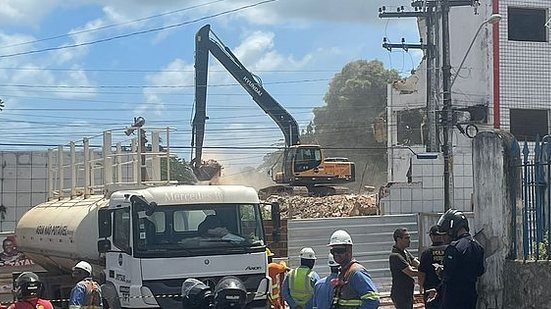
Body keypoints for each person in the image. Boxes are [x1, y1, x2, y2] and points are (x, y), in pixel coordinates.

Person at [427, 209, 485, 309]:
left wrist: (440, 273)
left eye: (444, 234)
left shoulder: (454, 248)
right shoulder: (478, 246)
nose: (443, 238)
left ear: (452, 229)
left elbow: (448, 276)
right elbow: (480, 271)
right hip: (470, 296)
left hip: (453, 299)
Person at [327, 230, 379, 309]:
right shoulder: (344, 272)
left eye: (340, 250)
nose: (336, 254)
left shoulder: (356, 273)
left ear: (349, 250)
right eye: (333, 251)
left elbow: (372, 300)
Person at [418, 225, 448, 309]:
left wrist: (421, 286)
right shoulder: (450, 249)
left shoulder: (427, 253)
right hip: (447, 290)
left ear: (431, 236)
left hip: (431, 291)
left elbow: (421, 274)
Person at [389, 227, 419, 309]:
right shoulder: (395, 256)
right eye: (406, 238)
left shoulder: (405, 252)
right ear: (398, 239)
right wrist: (425, 271)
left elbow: (416, 263)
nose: (409, 240)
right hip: (400, 294)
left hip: (407, 292)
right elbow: (411, 272)